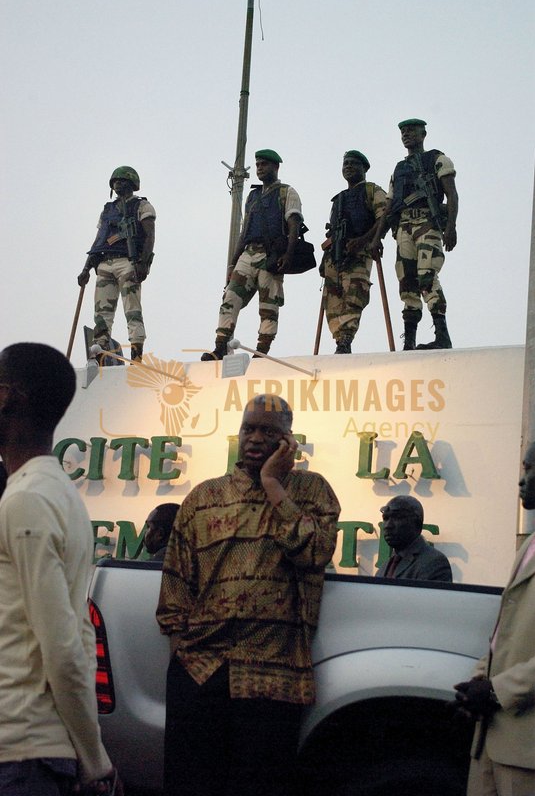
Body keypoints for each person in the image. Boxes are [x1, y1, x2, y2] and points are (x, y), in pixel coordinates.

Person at [156, 394, 340, 796]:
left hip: (272, 678)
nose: (256, 439)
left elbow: (314, 552)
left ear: (289, 440)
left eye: (269, 432)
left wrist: (273, 484)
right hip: (200, 672)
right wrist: (181, 656)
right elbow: (175, 583)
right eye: (249, 429)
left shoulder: (312, 492)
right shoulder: (204, 498)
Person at [0, 343, 122, 795]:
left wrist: (96, 762)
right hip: (36, 754)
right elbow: (78, 638)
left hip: (19, 754)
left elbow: (63, 648)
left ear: (7, 397)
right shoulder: (62, 497)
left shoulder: (27, 499)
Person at [453, 441, 535, 795]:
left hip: (527, 750)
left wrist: (496, 690)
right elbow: (504, 633)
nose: (522, 479)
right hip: (491, 738)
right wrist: (477, 683)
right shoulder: (529, 545)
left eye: (531, 469)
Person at [201, 150, 303, 360]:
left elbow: (294, 225)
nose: (260, 168)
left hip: (271, 255)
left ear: (276, 167)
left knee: (268, 305)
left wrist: (288, 255)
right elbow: (244, 231)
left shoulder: (287, 192)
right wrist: (232, 263)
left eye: (264, 164)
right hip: (248, 253)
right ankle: (220, 346)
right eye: (257, 165)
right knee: (230, 297)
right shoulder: (253, 196)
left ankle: (262, 351)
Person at [373, 119, 458, 350]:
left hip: (427, 223)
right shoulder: (399, 169)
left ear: (423, 133)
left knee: (427, 275)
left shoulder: (437, 159)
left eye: (411, 130)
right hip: (404, 227)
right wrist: (376, 238)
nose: (406, 134)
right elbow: (390, 205)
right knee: (406, 282)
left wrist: (451, 226)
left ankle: (442, 336)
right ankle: (408, 341)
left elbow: (451, 194)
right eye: (402, 132)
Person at [77, 166, 156, 362]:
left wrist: (143, 263)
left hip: (128, 262)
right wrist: (86, 267)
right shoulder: (107, 210)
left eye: (121, 181)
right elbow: (99, 239)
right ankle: (101, 350)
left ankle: (136, 352)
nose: (117, 184)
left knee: (132, 310)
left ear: (131, 184)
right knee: (102, 312)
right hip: (105, 262)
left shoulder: (142, 206)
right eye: (115, 181)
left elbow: (149, 235)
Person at [321, 150, 387, 354]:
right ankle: (338, 339)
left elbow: (384, 217)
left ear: (364, 168)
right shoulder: (338, 199)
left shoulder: (371, 190)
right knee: (332, 300)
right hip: (336, 254)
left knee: (354, 295)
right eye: (345, 163)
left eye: (353, 163)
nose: (348, 166)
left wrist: (365, 240)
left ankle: (346, 340)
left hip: (359, 252)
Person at [375, 494, 452, 581]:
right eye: (385, 518)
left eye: (397, 517)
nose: (387, 526)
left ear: (416, 522)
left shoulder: (434, 562)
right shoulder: (383, 570)